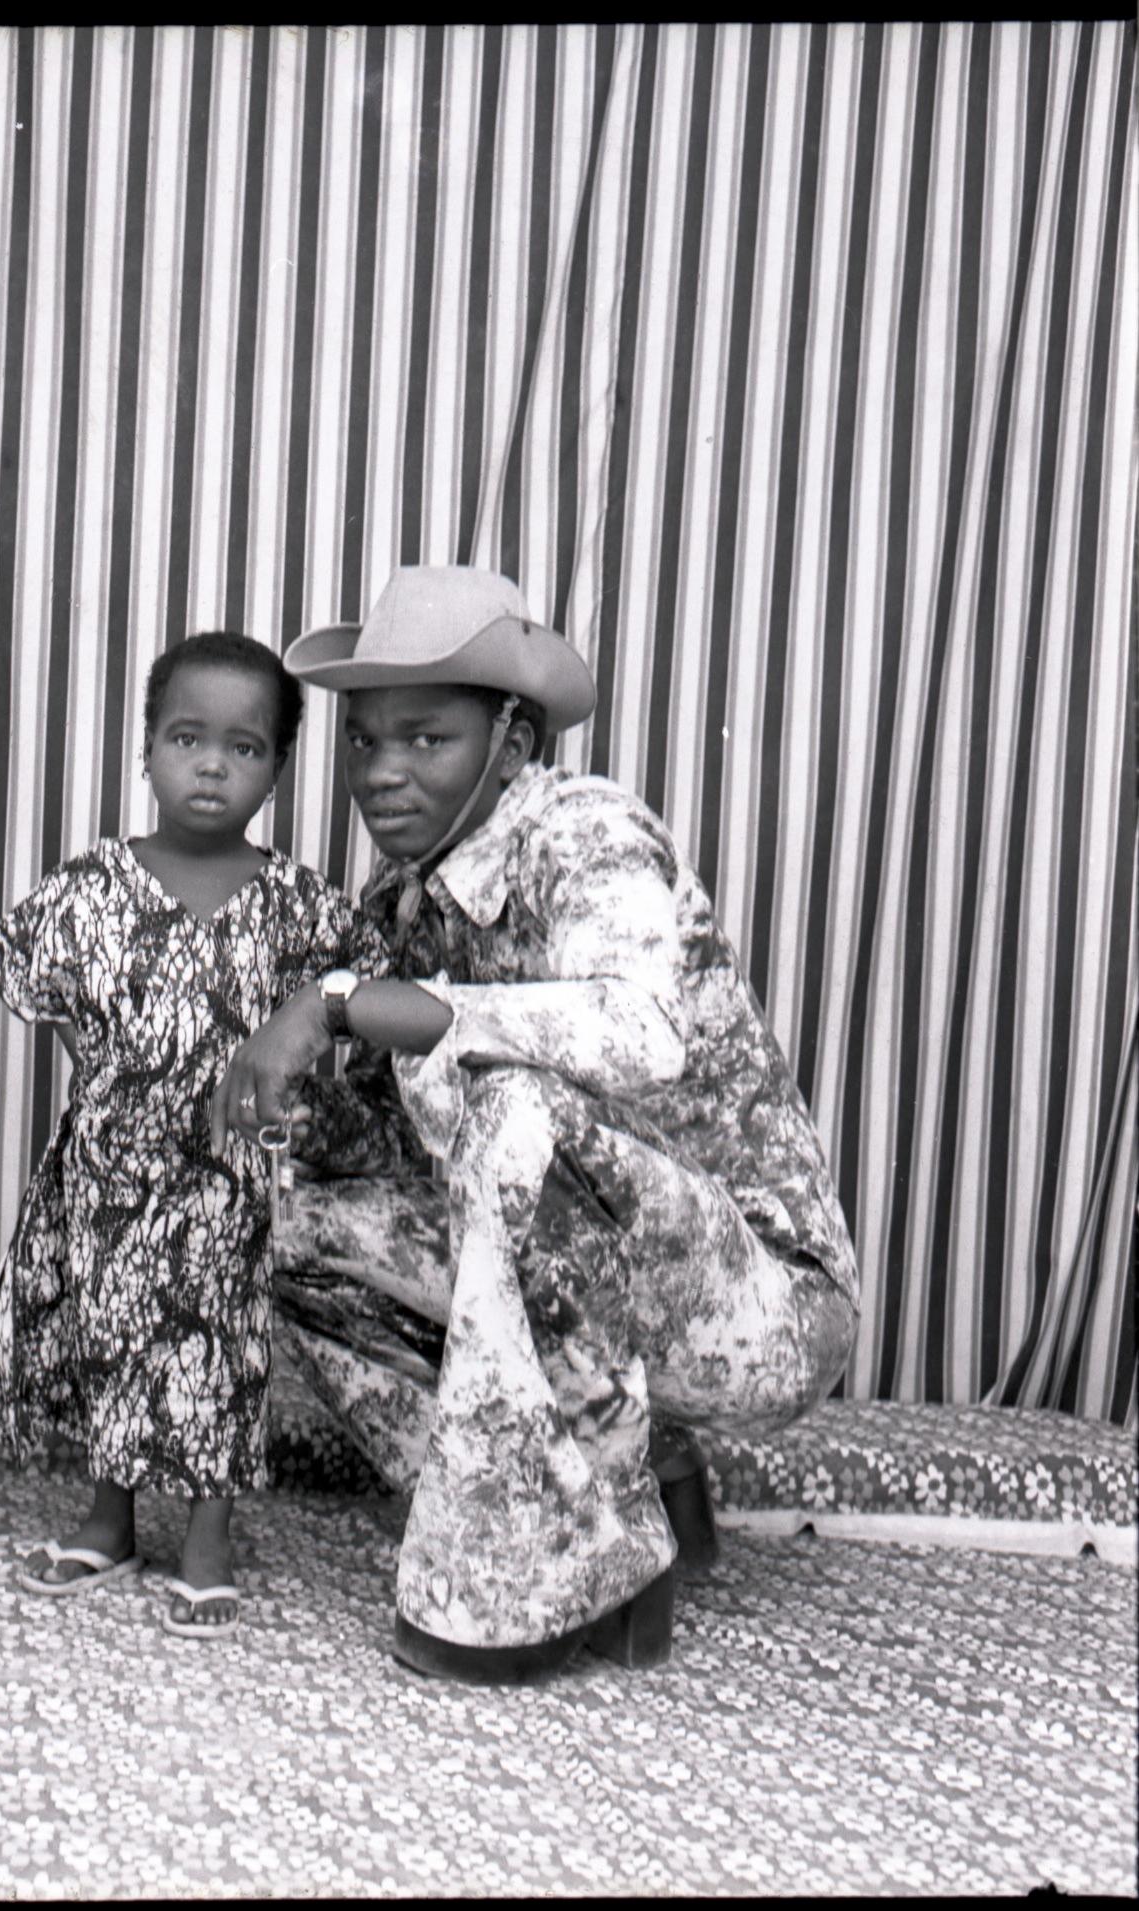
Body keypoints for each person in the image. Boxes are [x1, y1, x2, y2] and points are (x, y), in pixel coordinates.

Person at [207, 566, 860, 1684]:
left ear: (511, 742)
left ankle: (523, 1577)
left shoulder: (585, 830)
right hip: (595, 1286)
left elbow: (644, 1028)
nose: (385, 774)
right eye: (366, 743)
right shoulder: (402, 905)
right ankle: (613, 1491)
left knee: (519, 1112)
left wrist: (339, 1004)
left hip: (759, 1296)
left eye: (426, 738)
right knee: (263, 1220)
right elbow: (369, 1135)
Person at [0, 631, 389, 1639]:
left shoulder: (298, 906)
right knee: (112, 1334)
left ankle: (208, 1540)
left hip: (231, 1179)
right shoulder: (92, 886)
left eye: (244, 749)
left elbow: (357, 995)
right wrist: (119, 1083)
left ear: (280, 769)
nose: (212, 765)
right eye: (187, 738)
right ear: (147, 749)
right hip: (113, 1172)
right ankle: (110, 1519)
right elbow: (38, 984)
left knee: (222, 1352)